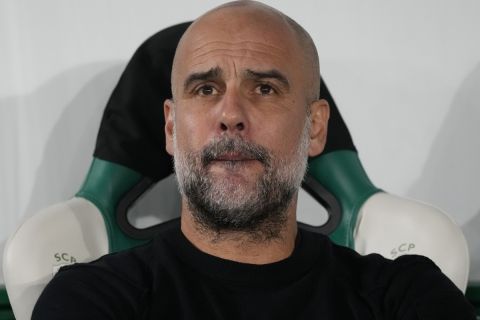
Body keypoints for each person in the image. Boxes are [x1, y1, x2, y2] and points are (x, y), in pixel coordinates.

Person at [32, 1, 475, 319]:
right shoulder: (91, 299)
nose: (230, 116)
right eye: (206, 89)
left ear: (315, 127)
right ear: (170, 126)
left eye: (264, 89)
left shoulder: (404, 295)